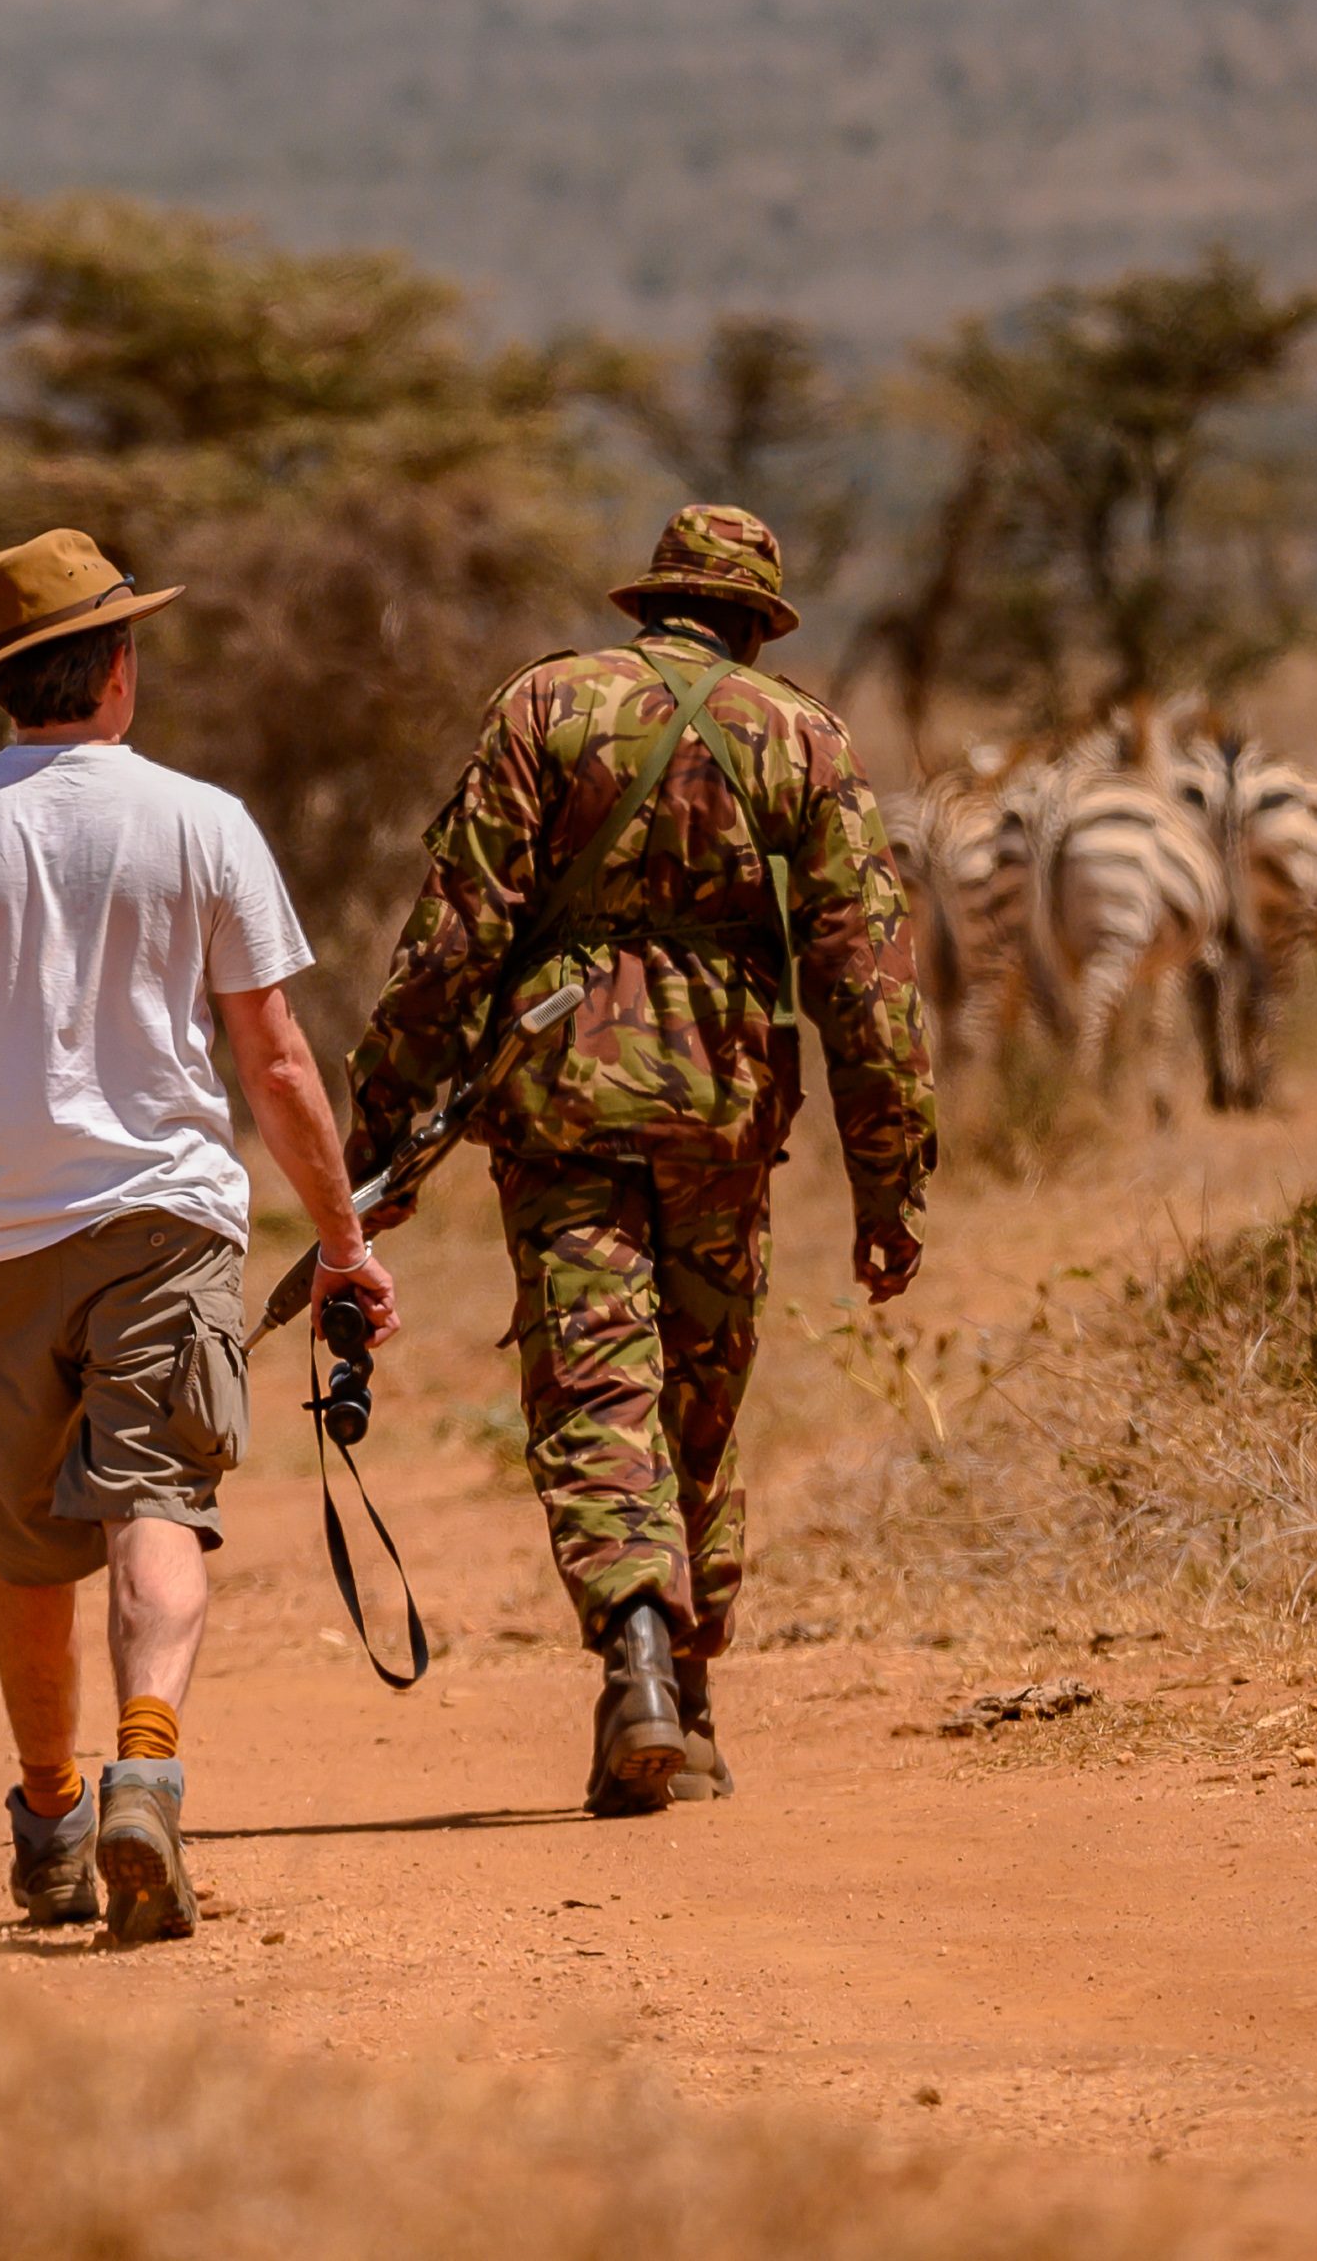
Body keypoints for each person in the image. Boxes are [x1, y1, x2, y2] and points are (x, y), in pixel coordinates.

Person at [0, 529, 385, 1947]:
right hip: (170, 1221)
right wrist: (342, 1238)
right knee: (155, 1501)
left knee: (25, 1552)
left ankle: (54, 1818)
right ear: (120, 669)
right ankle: (149, 1764)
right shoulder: (203, 821)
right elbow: (276, 1061)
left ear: (3, 684)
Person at [333, 504, 935, 1817]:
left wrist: (369, 1149)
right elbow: (869, 982)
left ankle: (642, 1666)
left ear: (653, 603)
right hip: (724, 1116)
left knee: (597, 1387)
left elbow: (451, 942)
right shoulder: (807, 739)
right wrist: (890, 1182)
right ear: (756, 626)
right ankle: (689, 1699)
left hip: (561, 1108)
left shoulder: (543, 707)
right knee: (700, 1401)